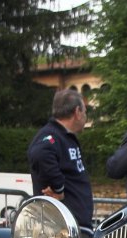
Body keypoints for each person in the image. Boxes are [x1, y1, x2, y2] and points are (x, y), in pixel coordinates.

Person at [27, 88, 94, 228]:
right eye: (85, 112)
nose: (85, 117)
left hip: (74, 223)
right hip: (61, 228)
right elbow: (40, 154)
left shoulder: (65, 137)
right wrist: (58, 188)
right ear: (77, 112)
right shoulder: (51, 136)